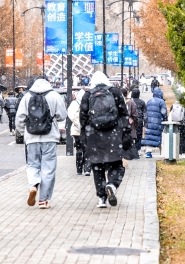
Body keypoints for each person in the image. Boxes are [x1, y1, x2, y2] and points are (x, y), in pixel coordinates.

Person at [79, 71, 130, 208]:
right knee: (117, 165)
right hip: (113, 135)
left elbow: (83, 119)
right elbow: (124, 114)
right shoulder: (115, 92)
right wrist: (125, 132)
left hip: (94, 137)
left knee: (98, 167)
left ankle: (101, 198)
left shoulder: (88, 95)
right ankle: (112, 184)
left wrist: (84, 136)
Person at [16, 75, 67, 209]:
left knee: (32, 165)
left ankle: (33, 185)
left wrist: (23, 133)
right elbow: (62, 115)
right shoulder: (54, 95)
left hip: (31, 137)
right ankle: (43, 200)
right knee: (48, 169)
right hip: (49, 137)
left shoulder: (27, 96)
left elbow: (20, 117)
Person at [67, 89, 91, 175]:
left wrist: (77, 124)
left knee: (79, 149)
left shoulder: (74, 104)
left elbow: (70, 115)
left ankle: (79, 169)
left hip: (76, 131)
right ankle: (87, 169)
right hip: (87, 130)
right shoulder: (89, 102)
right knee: (87, 149)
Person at [142, 87, 168, 151]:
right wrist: (165, 119)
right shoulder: (161, 102)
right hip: (158, 122)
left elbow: (145, 112)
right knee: (158, 136)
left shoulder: (149, 101)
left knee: (149, 137)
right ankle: (161, 151)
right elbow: (164, 113)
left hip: (149, 122)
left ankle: (148, 152)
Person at [121, 88, 140, 161]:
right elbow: (135, 115)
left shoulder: (117, 102)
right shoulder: (131, 102)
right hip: (129, 123)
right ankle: (133, 155)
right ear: (126, 94)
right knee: (130, 139)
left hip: (120, 124)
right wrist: (135, 123)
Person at [131, 87, 147, 157]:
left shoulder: (129, 102)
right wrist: (145, 124)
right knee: (138, 136)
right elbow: (145, 114)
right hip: (139, 121)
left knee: (131, 136)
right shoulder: (142, 102)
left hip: (131, 121)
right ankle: (137, 151)